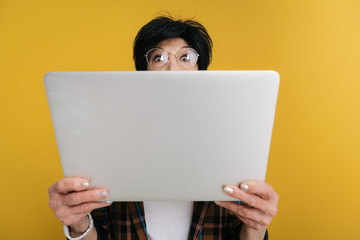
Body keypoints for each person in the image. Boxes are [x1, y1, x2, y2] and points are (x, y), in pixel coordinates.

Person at [48, 16, 279, 240]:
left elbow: (241, 230)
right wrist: (77, 223)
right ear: (142, 74)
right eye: (157, 57)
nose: (172, 69)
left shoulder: (231, 141)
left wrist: (256, 227)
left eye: (186, 57)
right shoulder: (112, 142)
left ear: (202, 71)